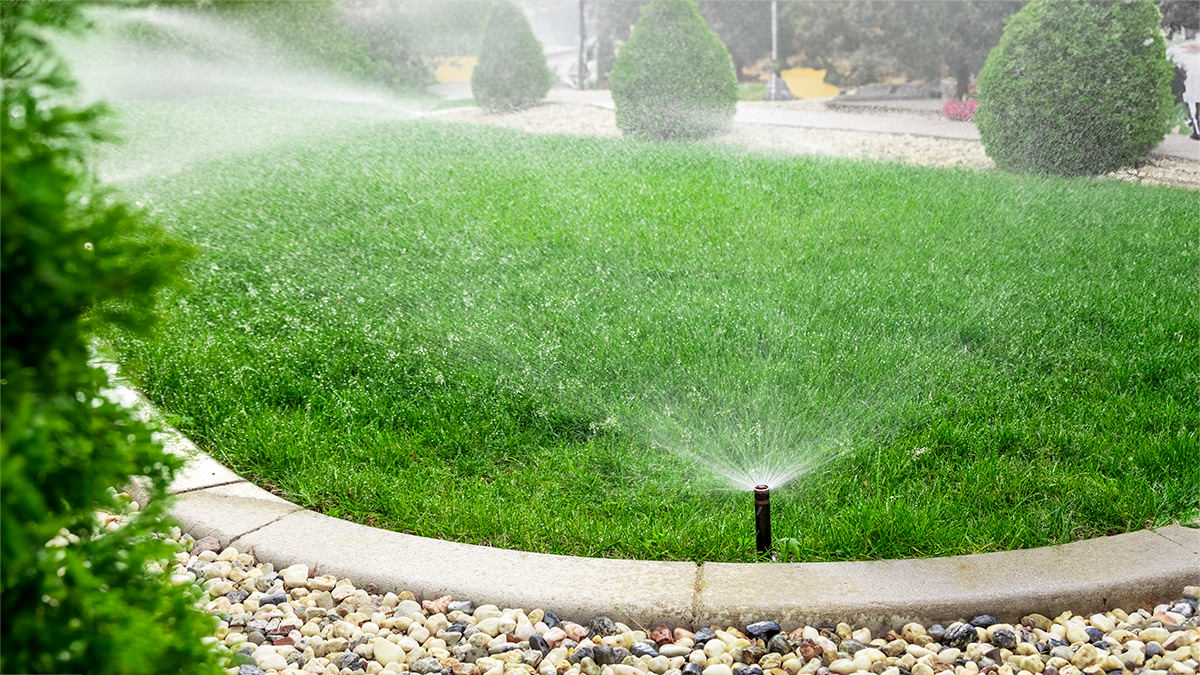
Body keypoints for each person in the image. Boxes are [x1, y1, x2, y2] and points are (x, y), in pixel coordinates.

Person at [1166, 40, 1200, 140]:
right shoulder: (1184, 53)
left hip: (1192, 87)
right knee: (1194, 108)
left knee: (1193, 108)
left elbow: (1169, 53)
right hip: (1192, 87)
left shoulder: (1183, 53)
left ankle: (1196, 131)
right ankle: (1196, 129)